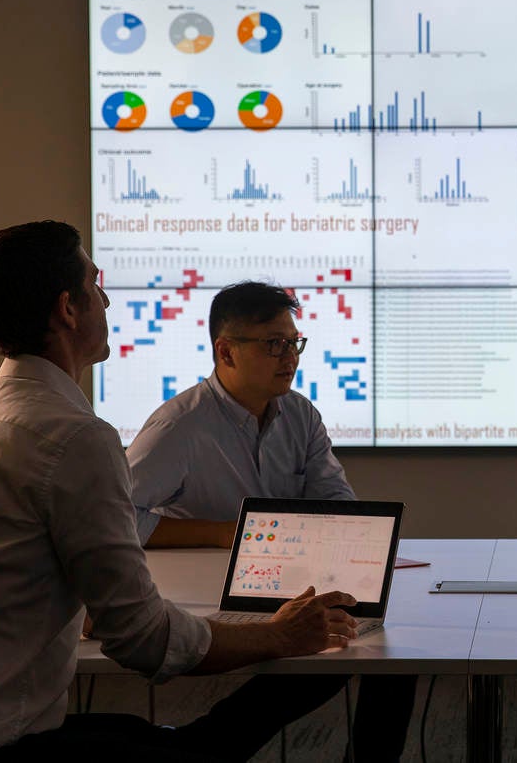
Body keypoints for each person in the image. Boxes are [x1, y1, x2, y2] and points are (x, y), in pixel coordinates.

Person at [0, 221, 360, 761]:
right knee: (213, 739)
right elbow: (142, 639)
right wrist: (281, 637)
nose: (108, 299)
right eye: (97, 285)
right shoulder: (75, 438)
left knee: (144, 731)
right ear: (69, 309)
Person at [127, 280, 414, 763]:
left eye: (294, 343)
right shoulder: (179, 428)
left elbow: (335, 502)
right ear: (226, 352)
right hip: (208, 591)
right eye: (273, 345)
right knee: (328, 639)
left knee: (385, 650)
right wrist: (217, 533)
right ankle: (209, 744)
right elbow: (117, 517)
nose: (290, 357)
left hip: (290, 579)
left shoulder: (300, 414)